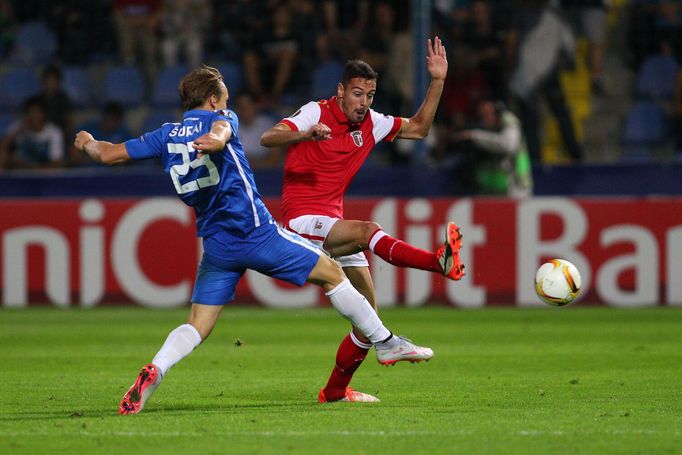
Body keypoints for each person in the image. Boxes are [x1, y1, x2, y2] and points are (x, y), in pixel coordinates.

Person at [73, 65, 437, 414]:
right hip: (255, 233)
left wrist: (87, 141)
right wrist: (214, 140)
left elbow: (107, 153)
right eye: (226, 99)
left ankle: (157, 368)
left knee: (198, 323)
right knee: (332, 273)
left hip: (216, 245)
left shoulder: (165, 134)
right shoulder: (224, 119)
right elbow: (222, 133)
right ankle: (386, 343)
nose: (228, 106)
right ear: (215, 99)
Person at [260, 37, 464, 403]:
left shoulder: (372, 123)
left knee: (366, 313)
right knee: (369, 231)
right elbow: (267, 137)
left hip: (333, 224)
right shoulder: (315, 112)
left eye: (369, 95)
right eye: (357, 94)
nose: (363, 103)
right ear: (340, 91)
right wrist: (304, 133)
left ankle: (335, 392)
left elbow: (419, 128)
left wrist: (437, 81)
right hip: (301, 221)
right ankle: (437, 263)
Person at [453, 98, 533, 197]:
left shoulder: (509, 121)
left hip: (517, 187)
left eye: (489, 113)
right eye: (483, 115)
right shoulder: (483, 127)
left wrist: (474, 137)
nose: (486, 118)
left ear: (497, 112)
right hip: (494, 188)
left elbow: (508, 145)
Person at [0, 98, 64, 170]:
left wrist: (32, 168)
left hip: (44, 175)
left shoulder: (54, 132)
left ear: (44, 114)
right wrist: (18, 131)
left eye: (36, 112)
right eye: (30, 112)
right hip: (20, 173)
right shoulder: (18, 127)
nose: (33, 116)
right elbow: (2, 146)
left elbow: (56, 163)